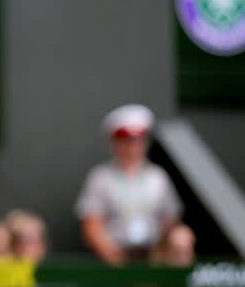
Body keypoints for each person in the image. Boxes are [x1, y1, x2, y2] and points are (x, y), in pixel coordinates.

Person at [75, 104, 195, 267]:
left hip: (153, 254)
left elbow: (171, 219)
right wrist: (114, 256)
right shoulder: (101, 177)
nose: (133, 147)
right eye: (126, 141)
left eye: (138, 141)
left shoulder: (158, 177)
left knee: (182, 237)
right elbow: (91, 225)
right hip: (114, 256)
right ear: (114, 143)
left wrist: (159, 252)